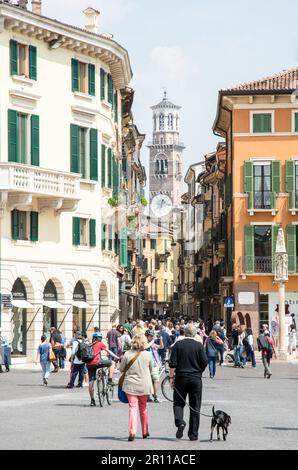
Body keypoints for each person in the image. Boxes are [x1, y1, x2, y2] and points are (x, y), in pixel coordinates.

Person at [169, 324, 208, 441]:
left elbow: (172, 363)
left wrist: (171, 377)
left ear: (184, 333)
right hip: (195, 378)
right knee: (195, 406)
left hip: (181, 377)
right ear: (195, 333)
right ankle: (193, 434)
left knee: (178, 403)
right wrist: (199, 370)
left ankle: (180, 422)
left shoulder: (178, 345)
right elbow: (205, 361)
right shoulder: (199, 346)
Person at [119, 334, 153, 441]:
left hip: (130, 385)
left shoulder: (127, 354)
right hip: (144, 385)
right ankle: (144, 431)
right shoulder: (148, 355)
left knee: (132, 408)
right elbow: (151, 369)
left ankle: (132, 432)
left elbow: (121, 369)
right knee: (143, 408)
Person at [87, 332, 119, 406]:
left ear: (93, 338)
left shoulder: (89, 345)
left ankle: (92, 400)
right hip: (97, 362)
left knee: (91, 382)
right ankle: (110, 380)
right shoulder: (99, 343)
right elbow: (109, 351)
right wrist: (117, 357)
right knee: (112, 363)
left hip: (89, 365)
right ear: (100, 338)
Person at [145, 329, 164, 403]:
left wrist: (161, 340)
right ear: (146, 336)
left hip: (154, 365)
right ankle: (148, 396)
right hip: (146, 365)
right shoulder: (144, 343)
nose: (152, 337)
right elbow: (146, 347)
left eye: (153, 336)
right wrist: (154, 340)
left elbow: (161, 347)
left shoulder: (153, 344)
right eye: (151, 336)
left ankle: (155, 396)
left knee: (155, 380)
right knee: (148, 381)